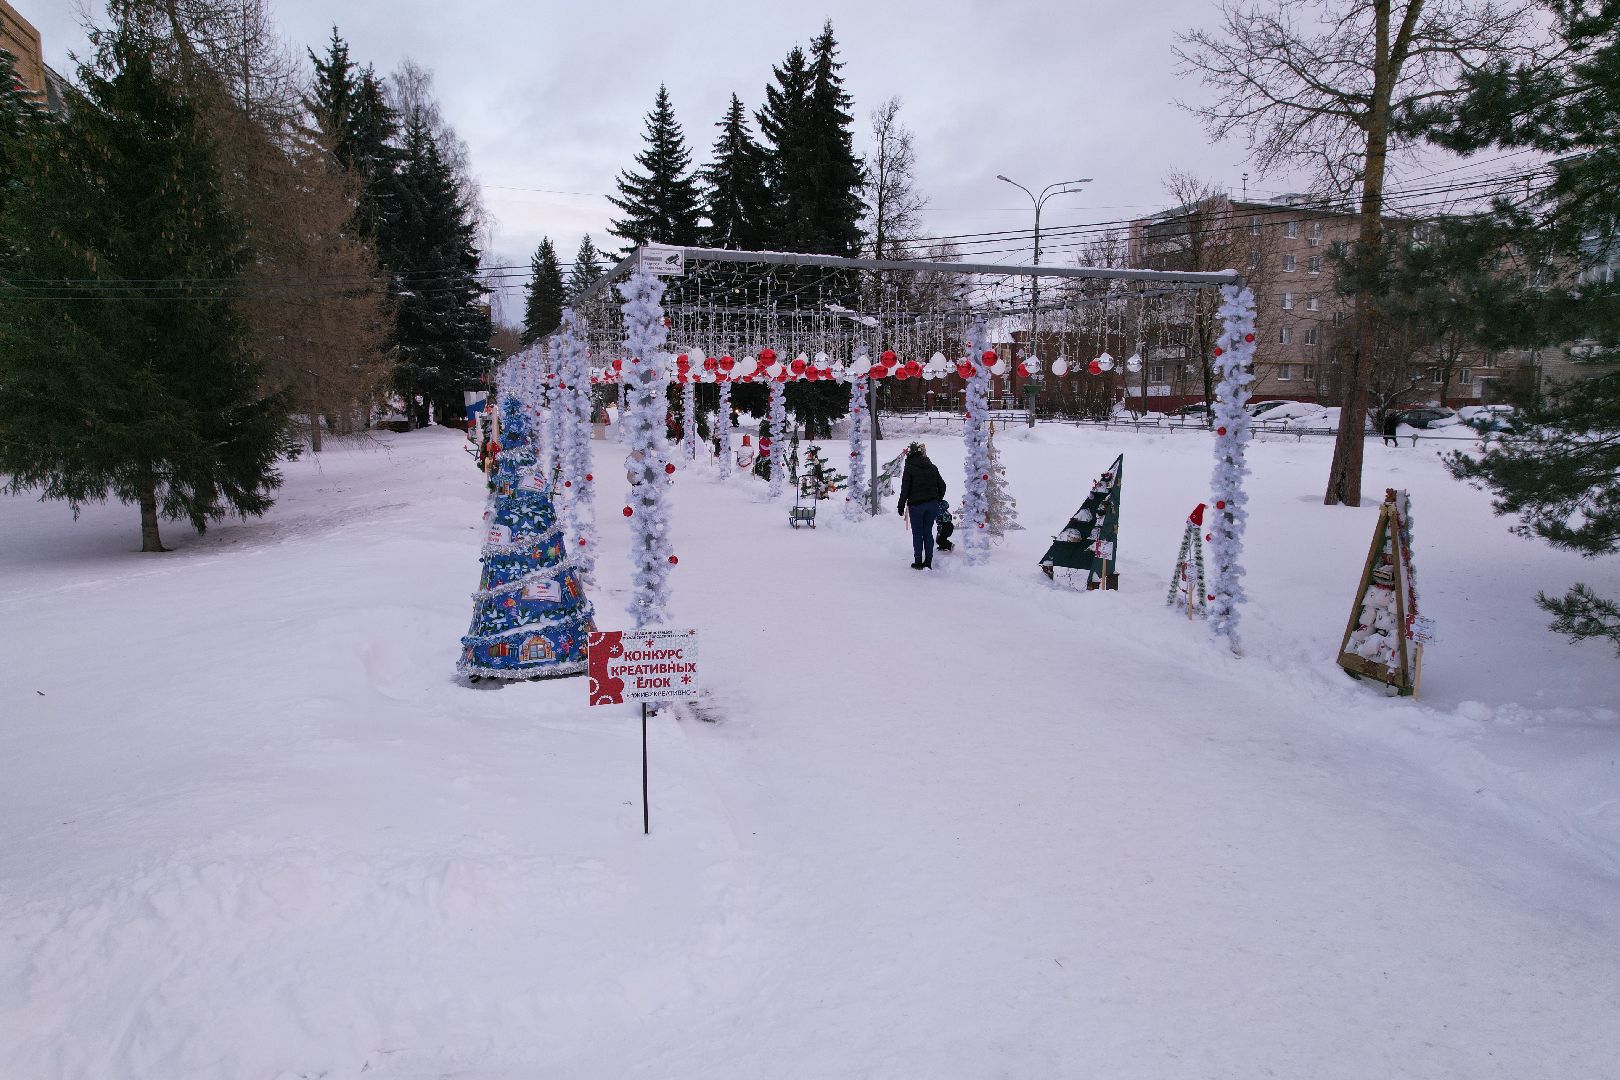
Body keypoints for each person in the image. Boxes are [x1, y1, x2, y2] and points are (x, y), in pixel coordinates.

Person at [897, 441, 948, 569]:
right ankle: (928, 561)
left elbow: (905, 489)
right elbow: (942, 486)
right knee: (928, 532)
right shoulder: (932, 467)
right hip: (932, 505)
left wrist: (901, 505)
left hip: (916, 506)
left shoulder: (909, 468)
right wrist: (937, 500)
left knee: (918, 533)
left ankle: (918, 561)